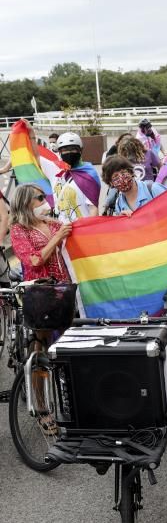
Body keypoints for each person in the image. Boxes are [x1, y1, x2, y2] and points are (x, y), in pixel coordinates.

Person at [9, 184, 73, 433]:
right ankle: (42, 408)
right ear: (27, 202)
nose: (45, 201)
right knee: (40, 351)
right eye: (40, 197)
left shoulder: (52, 223)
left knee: (66, 349)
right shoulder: (18, 230)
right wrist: (56, 237)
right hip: (41, 295)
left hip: (64, 292)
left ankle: (70, 401)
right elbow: (34, 260)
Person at [53, 132, 101, 222]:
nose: (69, 153)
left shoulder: (89, 174)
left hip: (82, 230)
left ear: (80, 150)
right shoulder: (61, 172)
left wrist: (89, 229)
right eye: (65, 150)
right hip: (62, 230)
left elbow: (93, 208)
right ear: (60, 152)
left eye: (73, 149)